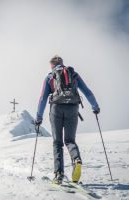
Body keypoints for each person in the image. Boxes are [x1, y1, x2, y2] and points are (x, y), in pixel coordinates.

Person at [35, 55, 100, 184]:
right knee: (70, 140)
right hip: (73, 108)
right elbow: (87, 92)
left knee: (57, 142)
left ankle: (59, 174)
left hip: (56, 109)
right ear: (62, 63)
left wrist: (38, 117)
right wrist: (95, 106)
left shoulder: (50, 77)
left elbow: (42, 98)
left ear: (52, 65)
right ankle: (76, 159)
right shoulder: (73, 74)